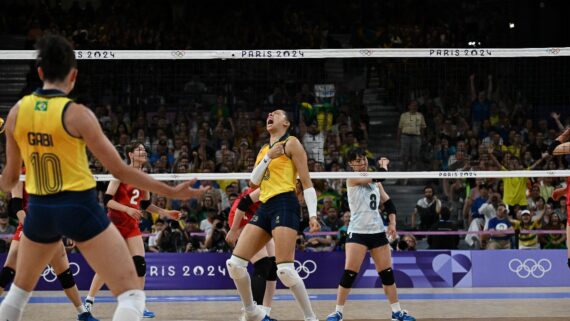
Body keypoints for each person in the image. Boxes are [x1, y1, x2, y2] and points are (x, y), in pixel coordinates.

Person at [0, 34, 205, 321]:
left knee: (17, 295)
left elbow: (9, 180)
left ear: (40, 73)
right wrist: (171, 191)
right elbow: (121, 171)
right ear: (73, 75)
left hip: (40, 211)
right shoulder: (78, 115)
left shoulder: (16, 113)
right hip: (78, 207)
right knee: (132, 294)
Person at [226, 109, 320, 321]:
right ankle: (252, 312)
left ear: (286, 124)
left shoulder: (292, 143)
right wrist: (269, 156)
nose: (270, 114)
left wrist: (313, 215)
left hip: (285, 203)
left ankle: (310, 317)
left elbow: (306, 182)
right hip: (265, 205)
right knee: (235, 265)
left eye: (276, 114)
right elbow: (253, 182)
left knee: (285, 270)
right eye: (270, 114)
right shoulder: (263, 150)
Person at [84, 142, 183, 318]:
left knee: (140, 264)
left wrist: (166, 213)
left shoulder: (144, 178)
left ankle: (139, 304)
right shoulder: (120, 172)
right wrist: (127, 209)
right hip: (114, 223)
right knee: (107, 265)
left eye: (144, 150)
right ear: (130, 154)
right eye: (139, 150)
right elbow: (107, 200)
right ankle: (89, 302)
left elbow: (145, 204)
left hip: (131, 226)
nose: (143, 152)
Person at [326, 149, 415, 321]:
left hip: (377, 232)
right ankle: (337, 311)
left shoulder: (376, 182)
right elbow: (380, 176)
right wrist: (383, 166)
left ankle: (396, 312)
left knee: (387, 274)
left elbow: (388, 203)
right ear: (351, 165)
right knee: (349, 273)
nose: (362, 163)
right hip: (358, 232)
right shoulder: (352, 178)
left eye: (364, 159)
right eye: (358, 161)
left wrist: (393, 223)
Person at [0, 180, 98, 321]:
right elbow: (16, 206)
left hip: (51, 226)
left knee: (64, 271)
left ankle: (83, 313)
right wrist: (32, 228)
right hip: (29, 224)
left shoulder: (53, 170)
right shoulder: (23, 171)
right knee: (8, 271)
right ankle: (83, 313)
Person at [225, 188, 277, 320]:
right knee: (262, 263)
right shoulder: (268, 187)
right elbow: (241, 204)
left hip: (260, 219)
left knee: (273, 266)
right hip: (243, 219)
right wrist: (233, 230)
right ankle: (254, 313)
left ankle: (265, 312)